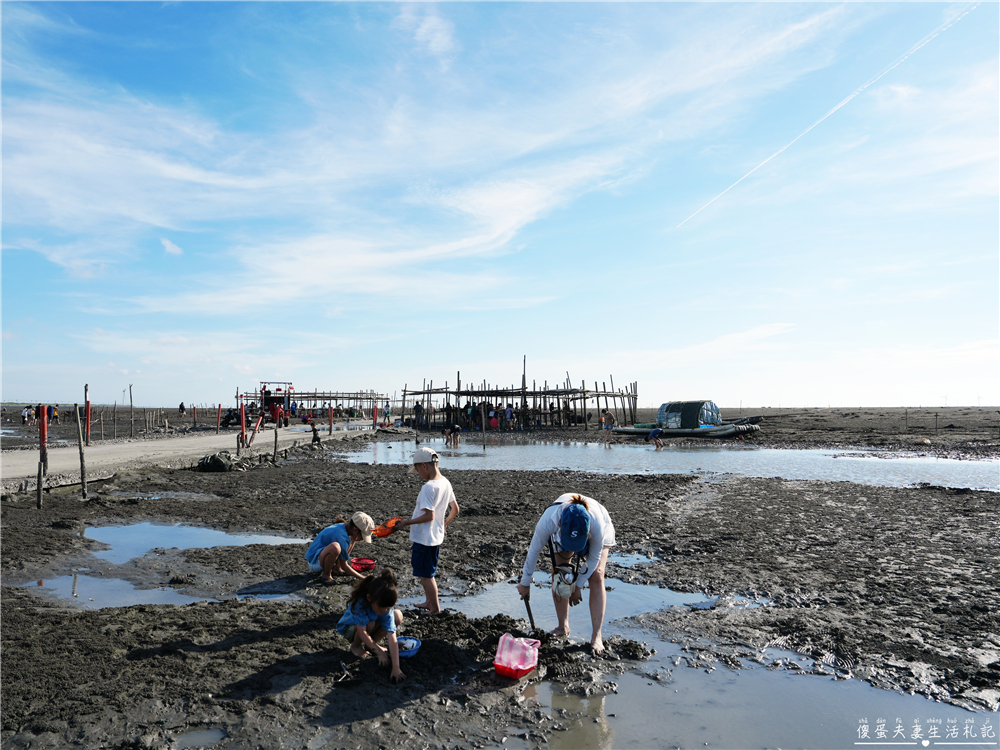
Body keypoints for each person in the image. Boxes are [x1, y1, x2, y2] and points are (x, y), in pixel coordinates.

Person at [517, 493, 616, 655]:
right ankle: (563, 626)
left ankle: (596, 636)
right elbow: (534, 551)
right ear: (560, 526)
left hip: (600, 525)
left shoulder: (596, 524)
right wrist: (525, 583)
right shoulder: (549, 520)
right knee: (561, 572)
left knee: (597, 575)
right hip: (566, 526)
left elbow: (593, 558)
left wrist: (578, 586)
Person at [393, 447, 459, 614]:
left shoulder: (428, 487)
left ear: (424, 466)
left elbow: (429, 516)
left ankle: (435, 609)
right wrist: (444, 524)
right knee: (427, 572)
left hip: (425, 538)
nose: (418, 474)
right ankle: (428, 602)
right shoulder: (445, 482)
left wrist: (406, 523)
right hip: (435, 537)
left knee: (426, 576)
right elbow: (455, 509)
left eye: (417, 470)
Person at [337, 568, 405, 684]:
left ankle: (371, 645)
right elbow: (362, 632)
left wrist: (396, 667)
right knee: (369, 623)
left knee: (397, 615)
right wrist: (379, 652)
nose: (384, 611)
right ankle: (356, 646)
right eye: (381, 607)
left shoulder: (385, 608)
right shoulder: (361, 603)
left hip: (369, 625)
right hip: (350, 629)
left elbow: (392, 636)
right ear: (369, 598)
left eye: (387, 608)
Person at [305, 512, 377, 583]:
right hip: (314, 562)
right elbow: (344, 565)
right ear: (355, 530)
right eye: (362, 536)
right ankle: (326, 575)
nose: (362, 539)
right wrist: (363, 577)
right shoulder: (341, 536)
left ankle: (337, 569)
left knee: (350, 540)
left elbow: (344, 556)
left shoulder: (344, 527)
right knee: (335, 547)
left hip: (321, 555)